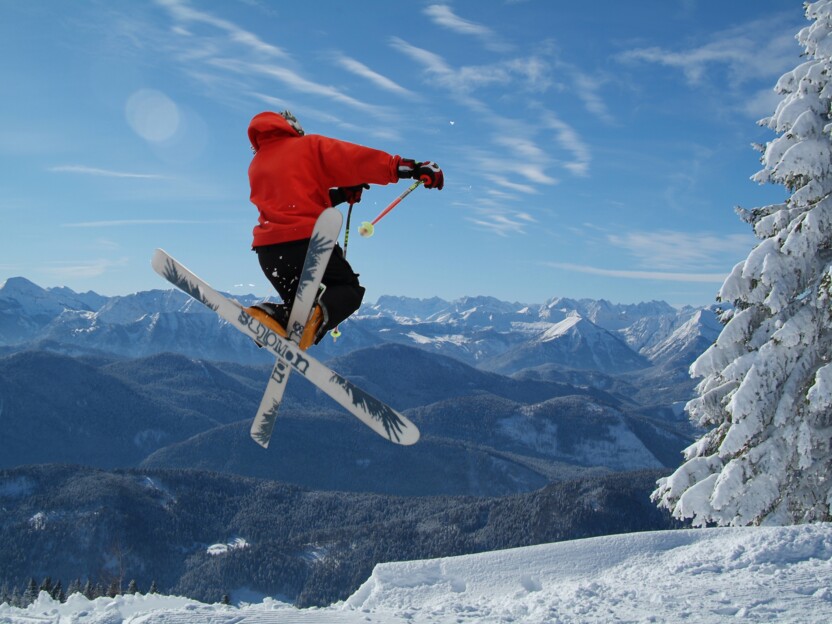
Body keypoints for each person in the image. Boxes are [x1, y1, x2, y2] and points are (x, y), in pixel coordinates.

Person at [245, 110, 444, 349]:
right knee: (348, 290)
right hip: (308, 245)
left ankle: (267, 315)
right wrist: (409, 168)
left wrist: (340, 194)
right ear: (294, 129)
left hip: (268, 253)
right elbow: (356, 159)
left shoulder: (258, 163)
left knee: (298, 308)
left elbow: (292, 200)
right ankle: (300, 328)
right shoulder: (308, 146)